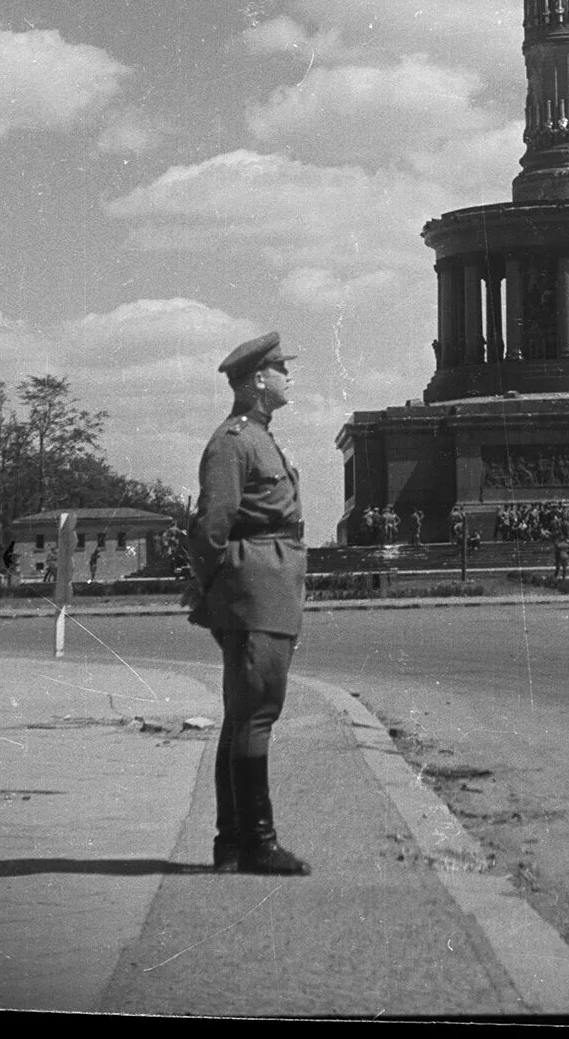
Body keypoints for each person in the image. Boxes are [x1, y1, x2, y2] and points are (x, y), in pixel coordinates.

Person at [186, 332, 310, 878]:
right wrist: (219, 589)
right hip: (255, 586)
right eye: (282, 368)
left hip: (266, 583)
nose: (289, 376)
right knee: (257, 711)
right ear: (259, 379)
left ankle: (233, 843)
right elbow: (212, 525)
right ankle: (258, 844)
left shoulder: (257, 436)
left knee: (243, 714)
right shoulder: (235, 441)